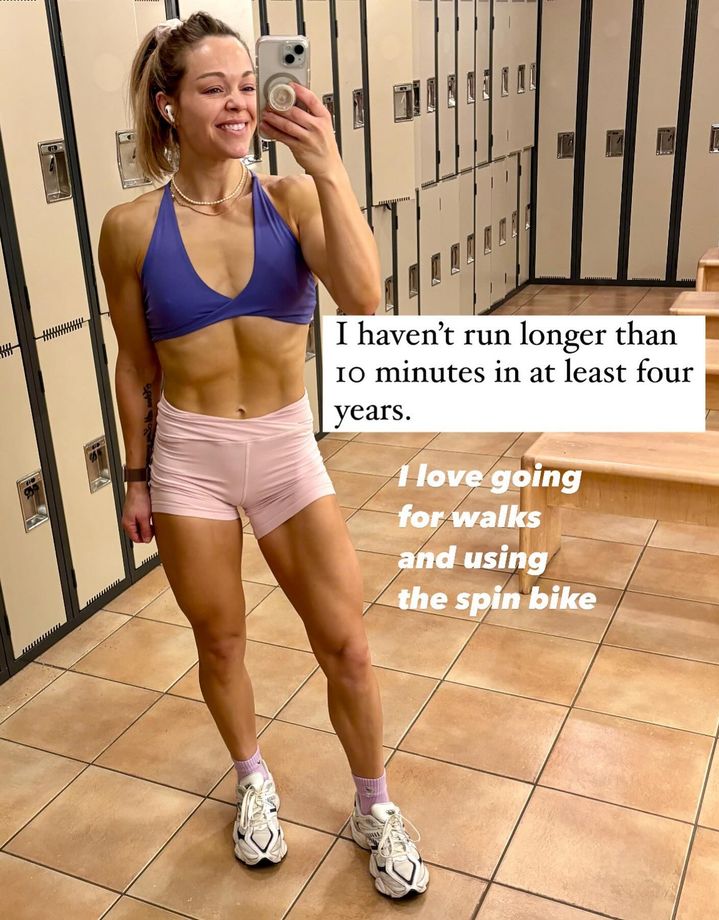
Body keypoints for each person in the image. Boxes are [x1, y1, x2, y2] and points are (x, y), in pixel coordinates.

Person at [98, 11, 428, 900]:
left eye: (247, 84)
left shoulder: (293, 200)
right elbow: (135, 364)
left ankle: (373, 804)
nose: (239, 102)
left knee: (348, 647)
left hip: (284, 449)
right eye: (213, 88)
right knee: (221, 642)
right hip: (190, 459)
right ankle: (252, 781)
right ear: (169, 107)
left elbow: (364, 302)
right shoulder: (130, 228)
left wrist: (329, 169)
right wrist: (134, 476)